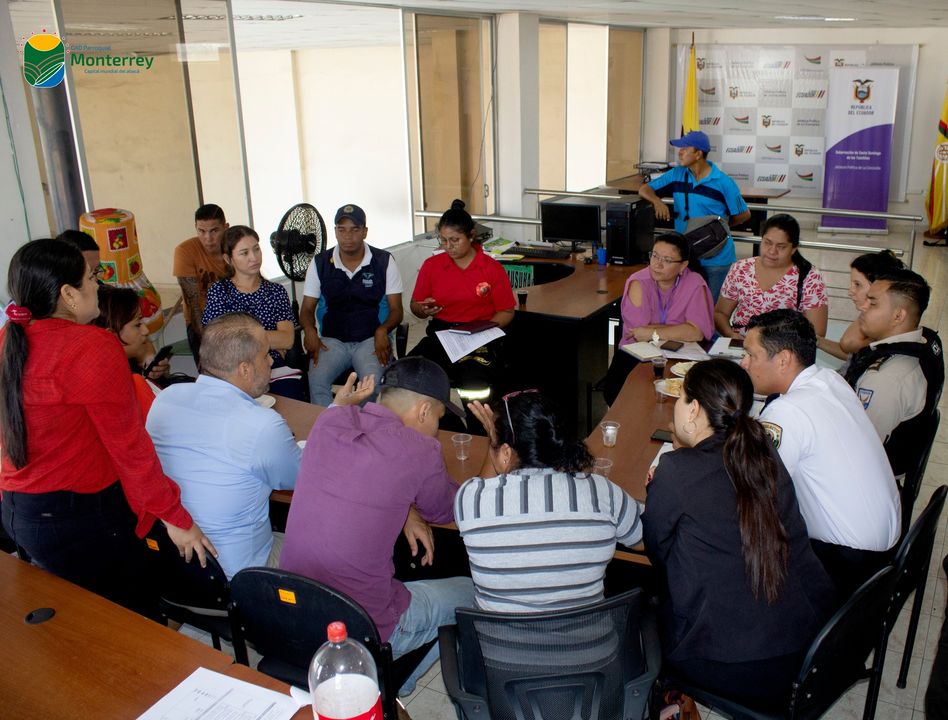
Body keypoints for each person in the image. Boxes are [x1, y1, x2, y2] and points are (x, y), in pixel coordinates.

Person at [0, 238, 215, 620]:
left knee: (84, 619)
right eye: (91, 278)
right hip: (79, 518)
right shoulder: (91, 346)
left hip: (21, 511)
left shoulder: (9, 339)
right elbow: (130, 449)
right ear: (68, 294)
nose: (98, 285)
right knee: (135, 622)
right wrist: (176, 518)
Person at [643, 359, 834, 709]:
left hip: (734, 664)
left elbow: (657, 550)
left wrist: (664, 485)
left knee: (644, 608)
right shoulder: (764, 452)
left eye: (681, 398)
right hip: (806, 646)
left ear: (694, 410)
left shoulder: (675, 471)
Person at [280, 357, 475, 696]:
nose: (437, 429)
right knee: (473, 592)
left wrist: (406, 508)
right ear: (424, 411)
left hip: (295, 611)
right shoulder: (421, 449)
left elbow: (366, 473)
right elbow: (447, 509)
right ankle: (393, 681)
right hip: (363, 626)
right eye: (439, 418)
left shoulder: (330, 421)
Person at [146, 314, 360, 579]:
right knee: (342, 554)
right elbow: (306, 475)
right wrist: (337, 411)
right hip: (242, 574)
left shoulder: (166, 399)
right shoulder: (262, 425)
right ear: (245, 369)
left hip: (174, 561)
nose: (271, 361)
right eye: (266, 355)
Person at [741, 309, 901, 594]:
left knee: (739, 556)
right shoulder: (831, 380)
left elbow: (754, 486)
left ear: (783, 359)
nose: (744, 363)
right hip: (884, 549)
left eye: (751, 355)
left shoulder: (788, 411)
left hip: (845, 562)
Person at [455, 391, 643, 613]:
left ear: (505, 452)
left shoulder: (472, 498)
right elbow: (645, 540)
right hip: (587, 636)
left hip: (497, 636)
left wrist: (494, 442)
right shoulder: (602, 492)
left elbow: (484, 485)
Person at [409, 199, 516, 401]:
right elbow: (415, 305)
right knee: (409, 372)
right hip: (443, 333)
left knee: (473, 381)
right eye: (443, 240)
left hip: (480, 333)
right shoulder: (432, 265)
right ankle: (440, 418)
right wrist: (423, 310)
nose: (448, 247)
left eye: (455, 240)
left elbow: (507, 311)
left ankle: (478, 421)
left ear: (471, 235)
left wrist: (485, 330)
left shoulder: (491, 268)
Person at [301, 204, 404, 406]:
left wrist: (383, 330)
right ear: (335, 232)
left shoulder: (383, 261)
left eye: (355, 230)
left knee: (372, 385)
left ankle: (365, 425)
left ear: (365, 231)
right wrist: (309, 329)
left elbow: (396, 310)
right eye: (342, 230)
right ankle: (328, 424)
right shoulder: (320, 263)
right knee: (317, 381)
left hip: (370, 341)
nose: (348, 236)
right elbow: (306, 308)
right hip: (331, 341)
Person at [843, 268, 944, 474]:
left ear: (898, 315)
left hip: (871, 476)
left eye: (873, 303)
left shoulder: (885, 379)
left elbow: (858, 451)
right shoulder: (924, 340)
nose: (862, 307)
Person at [637, 130, 751, 300]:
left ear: (698, 154)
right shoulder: (677, 174)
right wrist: (657, 201)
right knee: (685, 304)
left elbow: (744, 214)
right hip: (685, 256)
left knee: (711, 308)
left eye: (685, 148)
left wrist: (718, 227)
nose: (680, 152)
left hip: (717, 259)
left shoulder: (724, 182)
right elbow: (644, 189)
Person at [602, 232, 714, 405]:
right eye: (655, 256)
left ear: (683, 265)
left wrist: (652, 331)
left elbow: (696, 332)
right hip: (637, 358)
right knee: (630, 404)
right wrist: (680, 328)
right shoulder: (638, 281)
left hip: (680, 357)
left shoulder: (694, 283)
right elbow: (638, 334)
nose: (657, 264)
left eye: (667, 260)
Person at [202, 225, 303, 400]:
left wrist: (240, 337)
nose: (254, 257)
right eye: (244, 253)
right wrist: (269, 343)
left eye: (256, 249)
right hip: (232, 372)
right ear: (228, 259)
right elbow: (218, 342)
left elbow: (287, 339)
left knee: (291, 399)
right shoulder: (219, 292)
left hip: (272, 366)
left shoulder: (276, 292)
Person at [715, 214, 828, 338]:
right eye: (767, 243)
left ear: (793, 249)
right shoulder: (741, 268)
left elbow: (817, 333)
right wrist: (731, 335)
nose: (772, 251)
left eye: (781, 247)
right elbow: (721, 313)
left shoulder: (810, 278)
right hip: (741, 343)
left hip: (784, 347)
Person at [93, 285, 166, 418]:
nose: (145, 331)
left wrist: (150, 371)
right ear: (110, 336)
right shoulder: (120, 386)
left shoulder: (129, 364)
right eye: (137, 325)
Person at [817, 250, 904, 360]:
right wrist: (816, 340)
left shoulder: (884, 321)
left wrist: (866, 310)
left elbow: (848, 343)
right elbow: (856, 355)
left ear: (877, 286)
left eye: (857, 284)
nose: (850, 291)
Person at [173, 204, 230, 362]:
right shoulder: (185, 251)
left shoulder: (236, 246)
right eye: (202, 231)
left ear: (225, 227)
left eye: (214, 231)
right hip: (202, 321)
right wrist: (207, 341)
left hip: (235, 317)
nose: (208, 238)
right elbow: (193, 304)